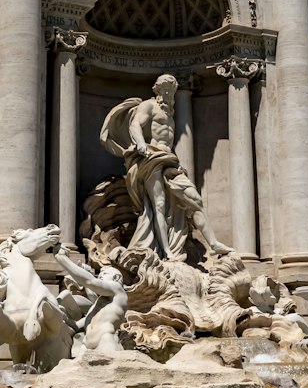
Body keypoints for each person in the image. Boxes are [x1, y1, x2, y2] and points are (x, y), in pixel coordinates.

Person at [100, 74, 233, 261]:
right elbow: (135, 125)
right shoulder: (149, 105)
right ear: (157, 90)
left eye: (171, 90)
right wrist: (140, 144)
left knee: (194, 199)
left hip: (170, 160)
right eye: (165, 89)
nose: (168, 93)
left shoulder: (170, 112)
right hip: (151, 157)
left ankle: (213, 243)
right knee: (159, 206)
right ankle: (167, 252)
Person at [53, 246, 128, 353]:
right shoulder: (97, 306)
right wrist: (63, 316)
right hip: (86, 346)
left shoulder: (118, 290)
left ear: (116, 278)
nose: (100, 277)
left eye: (104, 275)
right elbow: (76, 327)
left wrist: (62, 259)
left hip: (105, 340)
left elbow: (91, 282)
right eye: (100, 275)